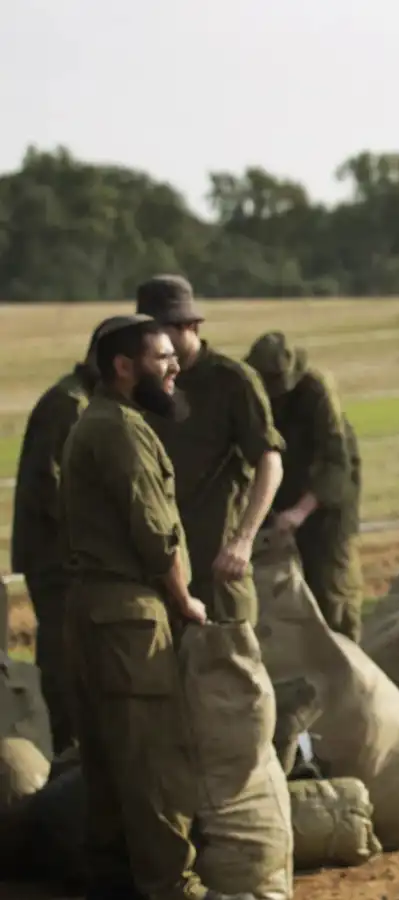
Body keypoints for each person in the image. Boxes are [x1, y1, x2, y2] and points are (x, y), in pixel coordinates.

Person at [60, 314, 214, 900]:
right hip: (129, 621)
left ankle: (113, 880)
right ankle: (173, 886)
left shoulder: (95, 421)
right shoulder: (121, 430)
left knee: (107, 763)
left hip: (95, 613)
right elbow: (156, 534)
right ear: (124, 367)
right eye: (161, 357)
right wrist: (184, 600)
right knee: (153, 762)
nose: (174, 367)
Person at [135, 275, 284, 625]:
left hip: (218, 568)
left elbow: (270, 460)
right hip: (160, 573)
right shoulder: (144, 385)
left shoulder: (232, 381)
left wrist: (243, 541)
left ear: (189, 326)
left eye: (159, 331)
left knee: (230, 657)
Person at [10, 333, 98, 755]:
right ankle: (60, 750)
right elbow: (52, 488)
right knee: (64, 661)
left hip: (62, 555)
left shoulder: (79, 400)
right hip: (57, 559)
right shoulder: (70, 404)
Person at [245, 331, 365, 639]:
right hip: (280, 491)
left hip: (328, 501)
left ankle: (346, 660)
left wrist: (300, 512)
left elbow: (336, 462)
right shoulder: (249, 392)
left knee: (332, 592)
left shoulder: (316, 390)